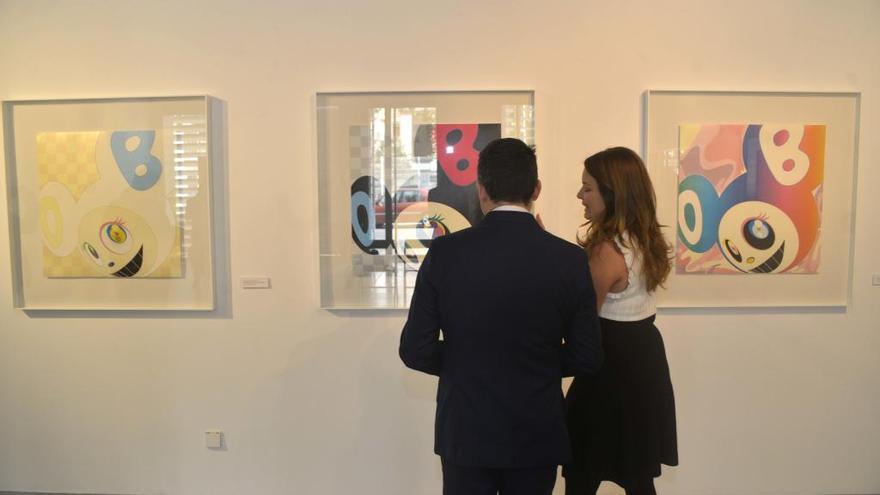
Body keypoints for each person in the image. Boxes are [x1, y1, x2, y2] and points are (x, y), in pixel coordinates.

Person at [400, 138, 604, 495]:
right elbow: (587, 357)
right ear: (536, 189)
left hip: (466, 430)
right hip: (536, 431)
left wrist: (467, 359)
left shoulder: (446, 254)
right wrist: (534, 359)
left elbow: (415, 350)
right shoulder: (569, 260)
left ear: (481, 190)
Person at [563, 147, 679, 495]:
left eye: (588, 188)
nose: (580, 196)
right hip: (643, 360)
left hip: (609, 366)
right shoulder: (644, 239)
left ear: (611, 193)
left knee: (582, 469)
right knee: (637, 472)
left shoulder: (607, 250)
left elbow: (579, 317)